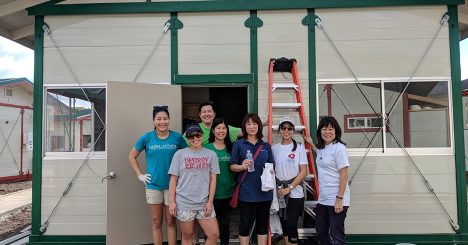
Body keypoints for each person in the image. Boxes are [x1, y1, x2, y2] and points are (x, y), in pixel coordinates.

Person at [128, 105, 188, 245]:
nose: (162, 122)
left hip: (172, 186)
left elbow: (187, 156)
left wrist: (183, 176)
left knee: (171, 221)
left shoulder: (177, 137)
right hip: (153, 186)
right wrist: (140, 175)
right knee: (156, 222)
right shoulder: (147, 138)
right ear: (154, 121)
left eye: (165, 118)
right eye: (159, 119)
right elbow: (131, 156)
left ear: (169, 120)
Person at [168, 124, 220, 245]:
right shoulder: (179, 154)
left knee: (214, 234)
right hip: (184, 203)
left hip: (204, 203)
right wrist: (171, 202)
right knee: (187, 236)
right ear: (187, 138)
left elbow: (213, 180)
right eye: (191, 136)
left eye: (198, 135)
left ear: (202, 135)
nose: (195, 138)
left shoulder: (211, 154)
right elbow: (173, 179)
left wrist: (210, 201)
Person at [230, 113, 274, 245]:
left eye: (254, 123)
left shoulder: (266, 146)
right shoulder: (239, 144)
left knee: (262, 226)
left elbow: (272, 166)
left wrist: (271, 171)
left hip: (264, 192)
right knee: (244, 225)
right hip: (246, 192)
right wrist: (242, 166)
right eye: (248, 124)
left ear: (259, 126)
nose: (251, 126)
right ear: (244, 127)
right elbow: (232, 166)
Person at [306, 116, 350, 245]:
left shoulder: (339, 148)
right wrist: (311, 144)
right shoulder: (323, 148)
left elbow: (344, 174)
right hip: (324, 198)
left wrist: (339, 199)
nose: (327, 132)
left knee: (336, 235)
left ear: (336, 131)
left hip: (337, 198)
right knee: (321, 231)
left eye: (331, 129)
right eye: (324, 129)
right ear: (320, 131)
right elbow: (320, 154)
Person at [272, 117, 308, 245]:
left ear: (293, 130)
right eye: (283, 128)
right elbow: (273, 169)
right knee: (284, 225)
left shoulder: (299, 148)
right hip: (280, 192)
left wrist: (290, 188)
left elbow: (304, 171)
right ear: (279, 130)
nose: (286, 131)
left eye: (289, 128)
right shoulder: (274, 148)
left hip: (295, 192)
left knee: (292, 224)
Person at [205, 118, 235, 245]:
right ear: (213, 130)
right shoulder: (207, 148)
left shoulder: (232, 147)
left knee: (225, 225)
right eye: (218, 128)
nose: (221, 131)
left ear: (227, 131)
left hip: (228, 192)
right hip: (210, 194)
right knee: (210, 229)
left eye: (223, 128)